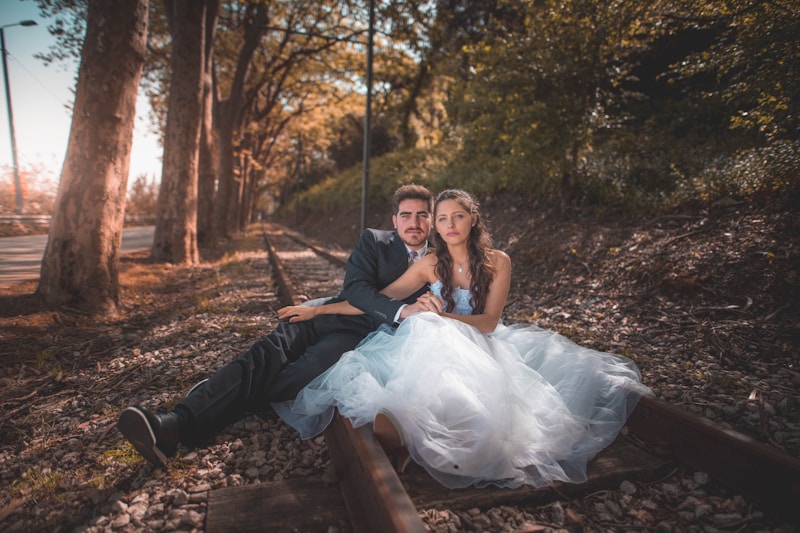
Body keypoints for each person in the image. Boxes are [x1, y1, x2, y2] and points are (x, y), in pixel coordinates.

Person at [273, 189, 653, 489]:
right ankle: (408, 427)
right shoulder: (428, 263)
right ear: (435, 227)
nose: (450, 224)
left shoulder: (497, 261)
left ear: (473, 219)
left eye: (458, 216)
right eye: (442, 218)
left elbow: (488, 323)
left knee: (431, 325)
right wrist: (319, 310)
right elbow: (374, 302)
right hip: (431, 343)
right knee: (424, 328)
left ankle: (426, 430)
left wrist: (439, 315)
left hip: (480, 341)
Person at [118, 184, 435, 466]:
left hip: (363, 337)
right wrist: (401, 310)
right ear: (395, 220)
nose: (414, 222)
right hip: (326, 313)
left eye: (422, 215)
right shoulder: (373, 240)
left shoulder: (439, 260)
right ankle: (172, 423)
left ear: (431, 220)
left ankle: (211, 400)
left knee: (305, 372)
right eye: (406, 215)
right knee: (267, 352)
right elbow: (355, 290)